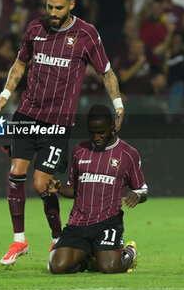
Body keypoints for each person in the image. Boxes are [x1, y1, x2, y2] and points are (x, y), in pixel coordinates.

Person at [0, 0, 124, 265]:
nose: (52, 12)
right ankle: (19, 241)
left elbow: (107, 73)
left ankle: (56, 236)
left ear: (71, 5)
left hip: (57, 123)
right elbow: (20, 63)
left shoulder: (86, 34)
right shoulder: (35, 29)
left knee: (41, 185)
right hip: (26, 115)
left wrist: (118, 104)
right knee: (15, 174)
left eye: (58, 7)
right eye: (49, 6)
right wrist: (3, 96)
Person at [48, 105, 148, 274]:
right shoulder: (80, 151)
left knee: (110, 267)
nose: (96, 137)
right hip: (78, 223)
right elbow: (74, 190)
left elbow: (143, 188)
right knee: (57, 266)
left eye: (101, 132)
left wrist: (138, 194)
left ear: (112, 127)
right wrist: (59, 189)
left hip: (108, 222)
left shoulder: (128, 153)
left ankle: (130, 252)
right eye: (92, 132)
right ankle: (90, 257)